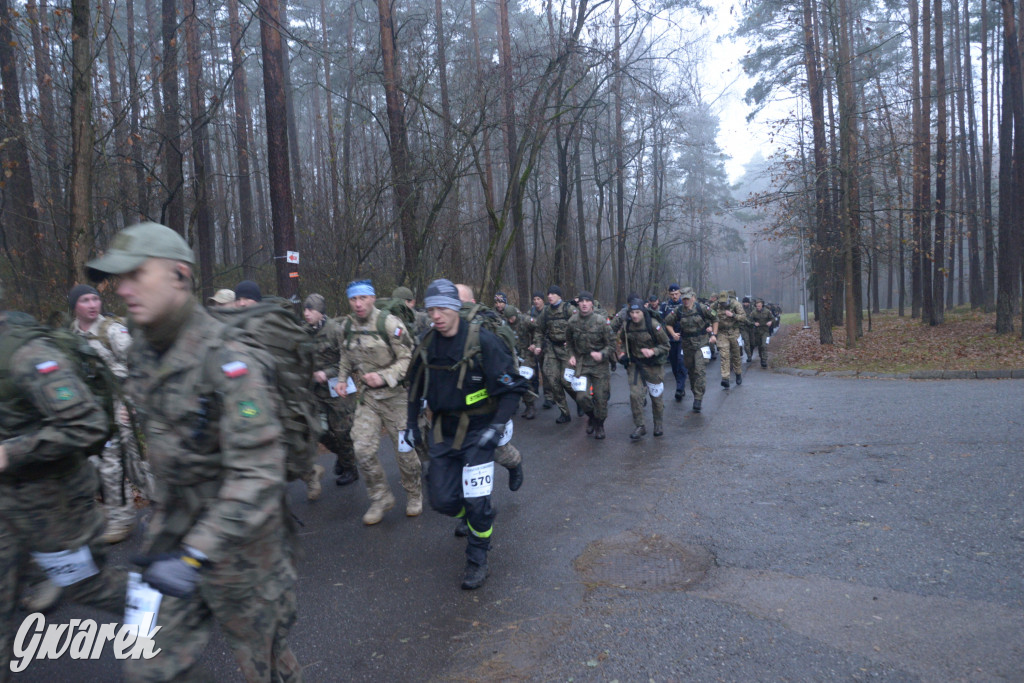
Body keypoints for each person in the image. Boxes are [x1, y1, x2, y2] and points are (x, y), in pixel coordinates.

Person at [85, 222, 301, 682]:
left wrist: (195, 555)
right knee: (145, 667)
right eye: (117, 278)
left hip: (243, 550)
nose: (121, 289)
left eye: (135, 274)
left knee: (266, 669)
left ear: (179, 275)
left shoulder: (228, 359)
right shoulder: (143, 346)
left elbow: (260, 472)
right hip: (171, 540)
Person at [0, 289, 128, 678]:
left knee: (87, 586)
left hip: (54, 501)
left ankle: (170, 609)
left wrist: (13, 452)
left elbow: (86, 423)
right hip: (8, 500)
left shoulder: (27, 355)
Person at [406, 279, 526, 589]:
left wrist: (496, 427)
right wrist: (410, 425)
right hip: (443, 431)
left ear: (457, 307)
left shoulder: (484, 342)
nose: (437, 315)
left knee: (476, 503)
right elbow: (415, 386)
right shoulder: (427, 342)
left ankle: (477, 559)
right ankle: (478, 516)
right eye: (431, 309)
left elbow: (512, 389)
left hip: (479, 432)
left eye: (443, 308)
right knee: (442, 500)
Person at [229, 280, 326, 502]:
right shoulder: (232, 329)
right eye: (239, 299)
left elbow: (298, 354)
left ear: (258, 301)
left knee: (286, 446)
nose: (243, 303)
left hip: (277, 397)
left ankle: (308, 473)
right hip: (249, 402)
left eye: (247, 299)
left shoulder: (272, 325)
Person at [337, 279, 422, 525]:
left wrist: (384, 376)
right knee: (362, 449)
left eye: (362, 298)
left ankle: (414, 493)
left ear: (372, 298)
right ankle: (380, 497)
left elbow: (408, 358)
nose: (358, 304)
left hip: (396, 398)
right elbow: (345, 354)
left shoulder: (389, 323)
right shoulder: (347, 326)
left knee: (405, 452)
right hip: (369, 398)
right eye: (353, 299)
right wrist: (342, 378)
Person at [69, 283, 147, 543]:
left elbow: (138, 364)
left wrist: (130, 403)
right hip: (89, 409)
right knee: (98, 463)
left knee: (117, 462)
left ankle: (123, 520)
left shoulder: (111, 330)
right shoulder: (70, 335)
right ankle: (115, 511)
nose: (92, 305)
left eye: (95, 299)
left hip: (118, 404)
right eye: (85, 300)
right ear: (75, 306)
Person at [303, 293, 359, 486]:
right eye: (305, 309)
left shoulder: (335, 330)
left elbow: (349, 360)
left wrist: (326, 373)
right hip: (317, 393)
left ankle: (351, 469)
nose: (306, 314)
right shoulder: (304, 332)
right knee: (319, 430)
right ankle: (344, 457)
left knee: (343, 432)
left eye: (311, 310)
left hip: (339, 390)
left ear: (320, 312)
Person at [617, 296, 670, 440]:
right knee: (635, 395)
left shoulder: (653, 325)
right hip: (635, 365)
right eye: (632, 313)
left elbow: (666, 345)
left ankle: (658, 424)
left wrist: (653, 351)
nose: (634, 316)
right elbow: (621, 340)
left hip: (653, 366)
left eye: (637, 313)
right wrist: (621, 353)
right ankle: (640, 426)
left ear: (643, 312)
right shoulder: (627, 326)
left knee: (656, 397)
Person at [566, 291, 614, 439]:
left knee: (601, 399)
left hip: (600, 365)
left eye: (587, 301)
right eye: (581, 301)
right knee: (581, 398)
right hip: (582, 364)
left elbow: (611, 344)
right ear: (578, 303)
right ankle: (592, 418)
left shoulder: (601, 321)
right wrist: (571, 355)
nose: (584, 304)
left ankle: (599, 424)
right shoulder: (572, 321)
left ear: (592, 303)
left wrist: (602, 354)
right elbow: (568, 343)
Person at [663, 287, 718, 413]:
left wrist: (714, 335)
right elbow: (668, 322)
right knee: (691, 371)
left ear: (693, 297)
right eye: (684, 299)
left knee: (700, 370)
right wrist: (673, 334)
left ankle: (698, 398)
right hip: (687, 345)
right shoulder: (679, 311)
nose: (685, 301)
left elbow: (715, 319)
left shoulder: (702, 308)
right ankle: (695, 392)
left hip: (702, 344)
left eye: (687, 299)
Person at [530, 286, 578, 423]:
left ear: (559, 296)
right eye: (548, 293)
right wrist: (538, 345)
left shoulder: (568, 309)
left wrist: (573, 345)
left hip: (566, 350)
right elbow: (539, 330)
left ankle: (580, 401)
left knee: (566, 381)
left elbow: (578, 327)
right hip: (551, 348)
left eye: (553, 294)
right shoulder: (545, 311)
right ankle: (564, 412)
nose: (550, 296)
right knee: (552, 380)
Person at [659, 284, 688, 402]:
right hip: (670, 339)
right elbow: (660, 322)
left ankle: (679, 389)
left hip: (683, 338)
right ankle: (680, 384)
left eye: (676, 294)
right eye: (672, 294)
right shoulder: (665, 306)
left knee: (681, 362)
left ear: (680, 293)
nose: (674, 296)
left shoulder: (684, 304)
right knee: (674, 365)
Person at [714, 290, 747, 388]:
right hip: (722, 333)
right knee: (724, 355)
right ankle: (725, 378)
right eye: (721, 302)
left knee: (736, 355)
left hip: (734, 332)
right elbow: (708, 315)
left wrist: (733, 315)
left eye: (725, 302)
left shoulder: (736, 304)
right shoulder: (716, 305)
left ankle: (738, 373)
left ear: (728, 299)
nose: (723, 303)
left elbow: (744, 317)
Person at [750, 298, 774, 368]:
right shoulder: (754, 312)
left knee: (764, 345)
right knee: (760, 346)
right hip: (757, 332)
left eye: (759, 306)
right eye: (757, 306)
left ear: (762, 305)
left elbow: (772, 318)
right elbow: (748, 321)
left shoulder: (767, 312)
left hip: (765, 331)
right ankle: (761, 358)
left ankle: (764, 360)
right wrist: (754, 323)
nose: (758, 308)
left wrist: (771, 322)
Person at [740, 296, 755, 363]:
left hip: (751, 327)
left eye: (746, 302)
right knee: (746, 341)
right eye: (744, 302)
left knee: (752, 343)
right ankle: (749, 356)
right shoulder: (740, 309)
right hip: (744, 327)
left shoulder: (752, 308)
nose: (745, 304)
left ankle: (750, 353)